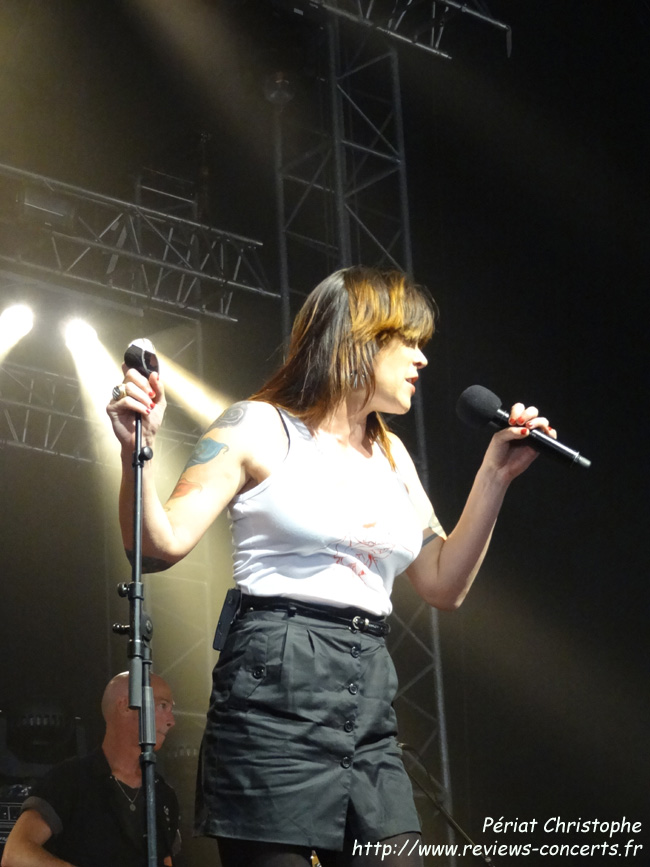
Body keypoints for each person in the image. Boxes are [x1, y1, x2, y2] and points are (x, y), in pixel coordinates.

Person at [105, 266, 555, 866]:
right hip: (274, 685)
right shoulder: (258, 426)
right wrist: (137, 454)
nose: (422, 360)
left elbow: (444, 583)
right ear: (359, 337)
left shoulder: (392, 457)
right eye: (409, 343)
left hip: (366, 692)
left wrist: (495, 474)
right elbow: (159, 544)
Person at [1, 672, 180, 867]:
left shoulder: (163, 794)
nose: (171, 720)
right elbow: (15, 853)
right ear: (126, 706)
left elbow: (165, 861)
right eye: (163, 706)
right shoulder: (70, 779)